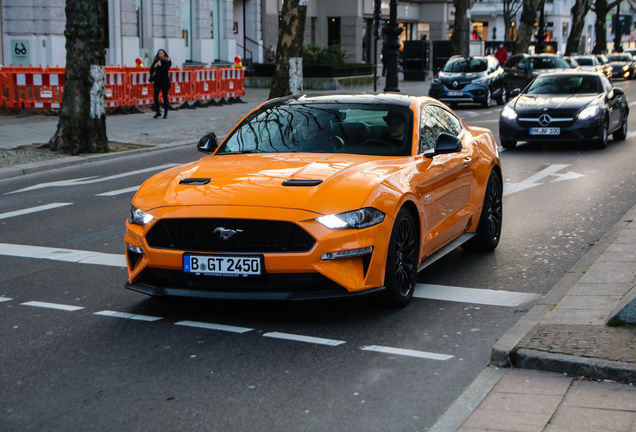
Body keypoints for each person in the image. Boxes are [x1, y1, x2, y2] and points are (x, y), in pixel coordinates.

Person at [149, 49, 172, 119]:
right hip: (157, 81)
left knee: (165, 96)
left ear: (164, 54)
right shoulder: (156, 61)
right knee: (155, 96)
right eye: (159, 53)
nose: (160, 55)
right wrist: (154, 66)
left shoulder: (167, 61)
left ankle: (165, 112)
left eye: (161, 53)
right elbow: (151, 71)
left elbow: (164, 71)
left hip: (164, 81)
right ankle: (157, 111)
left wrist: (159, 66)